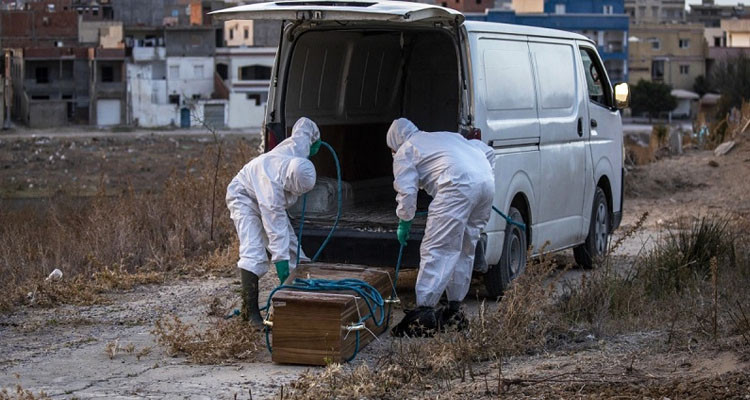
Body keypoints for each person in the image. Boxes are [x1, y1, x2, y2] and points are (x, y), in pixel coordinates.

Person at [387, 118, 495, 337]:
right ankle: (454, 310)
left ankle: (424, 314)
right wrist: (481, 179)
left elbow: (407, 191)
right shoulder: (446, 137)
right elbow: (487, 152)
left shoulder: (406, 150)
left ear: (395, 142)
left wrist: (404, 220)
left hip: (456, 186)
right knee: (465, 248)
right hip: (485, 183)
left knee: (437, 248)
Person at [226, 117, 321, 327]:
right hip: (244, 197)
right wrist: (281, 266)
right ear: (289, 182)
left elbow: (305, 125)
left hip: (263, 193)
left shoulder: (298, 152)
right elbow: (275, 231)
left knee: (296, 252)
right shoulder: (271, 189)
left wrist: (316, 141)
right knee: (254, 251)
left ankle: (307, 300)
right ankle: (250, 314)